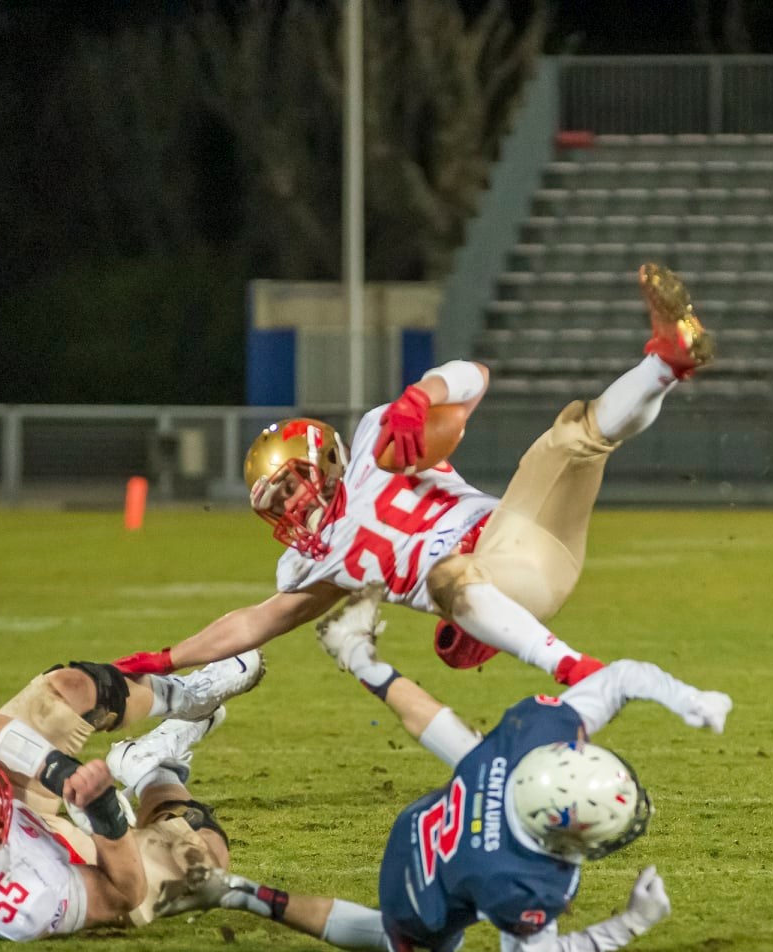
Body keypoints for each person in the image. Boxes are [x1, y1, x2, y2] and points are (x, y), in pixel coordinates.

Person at [111, 264, 715, 689]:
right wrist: (169, 657)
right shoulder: (313, 563)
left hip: (520, 533)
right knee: (450, 577)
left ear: (321, 459)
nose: (289, 506)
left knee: (573, 434)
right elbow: (256, 621)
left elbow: (474, 374)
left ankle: (665, 361)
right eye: (276, 501)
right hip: (486, 582)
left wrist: (419, 395)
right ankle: (572, 667)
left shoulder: (380, 437)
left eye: (289, 485)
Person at [214, 587, 730, 952]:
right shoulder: (520, 886)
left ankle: (358, 656)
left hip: (423, 822)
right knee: (429, 947)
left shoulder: (535, 733)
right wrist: (632, 922)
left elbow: (620, 678)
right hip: (416, 898)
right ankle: (243, 894)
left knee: (480, 754)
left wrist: (690, 701)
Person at [0, 653, 269, 938]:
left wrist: (53, 768)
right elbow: (123, 892)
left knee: (70, 689)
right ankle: (152, 768)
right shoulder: (17, 904)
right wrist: (106, 819)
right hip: (46, 856)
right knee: (201, 857)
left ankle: (189, 695)